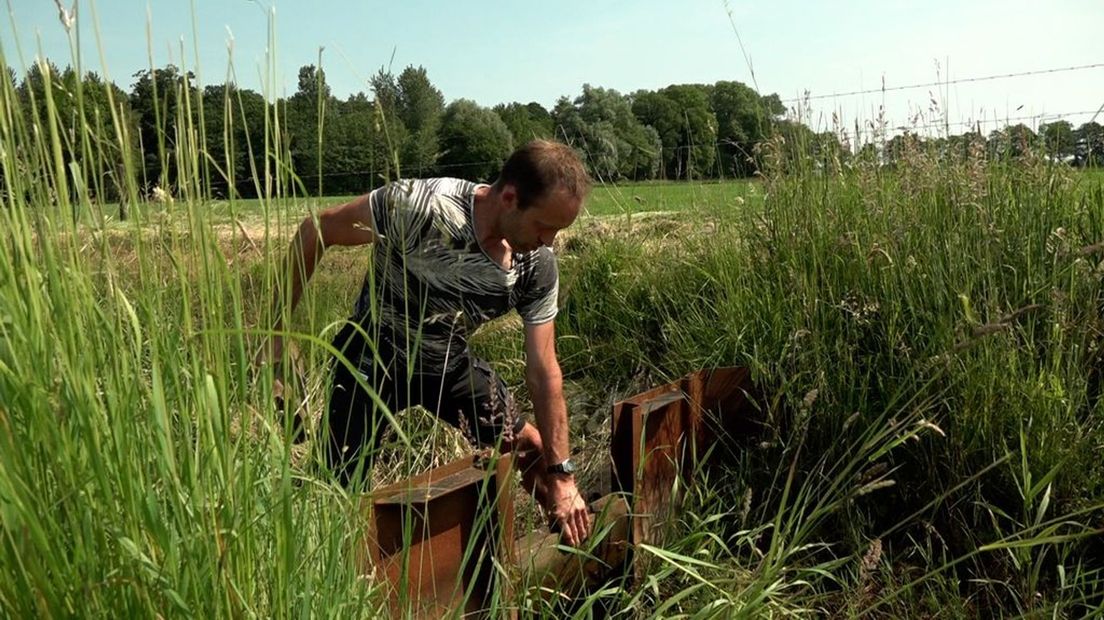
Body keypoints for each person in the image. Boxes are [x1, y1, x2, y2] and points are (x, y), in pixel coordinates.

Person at [262, 140, 593, 546]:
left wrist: (563, 476)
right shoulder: (420, 206)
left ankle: (566, 543)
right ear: (510, 198)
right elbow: (318, 228)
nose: (550, 242)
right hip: (371, 356)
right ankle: (319, 560)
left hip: (446, 364)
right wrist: (275, 333)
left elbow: (544, 370)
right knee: (337, 487)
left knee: (531, 449)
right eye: (545, 226)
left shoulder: (535, 266)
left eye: (559, 231)